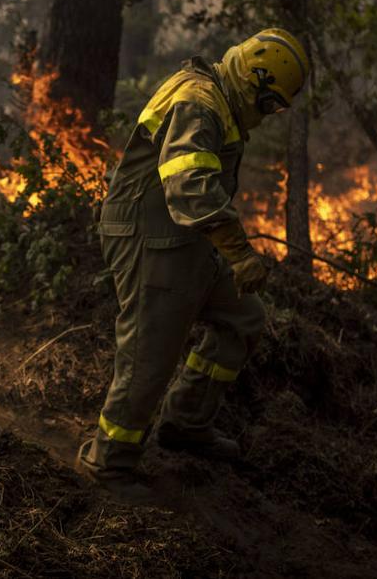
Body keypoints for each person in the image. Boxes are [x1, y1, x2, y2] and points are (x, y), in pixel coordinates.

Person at [76, 28, 309, 501]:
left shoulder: (217, 99)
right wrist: (240, 252)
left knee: (242, 319)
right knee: (148, 355)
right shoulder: (199, 100)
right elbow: (188, 184)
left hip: (184, 237)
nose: (265, 117)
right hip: (149, 236)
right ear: (251, 80)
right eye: (267, 104)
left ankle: (185, 422)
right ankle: (109, 464)